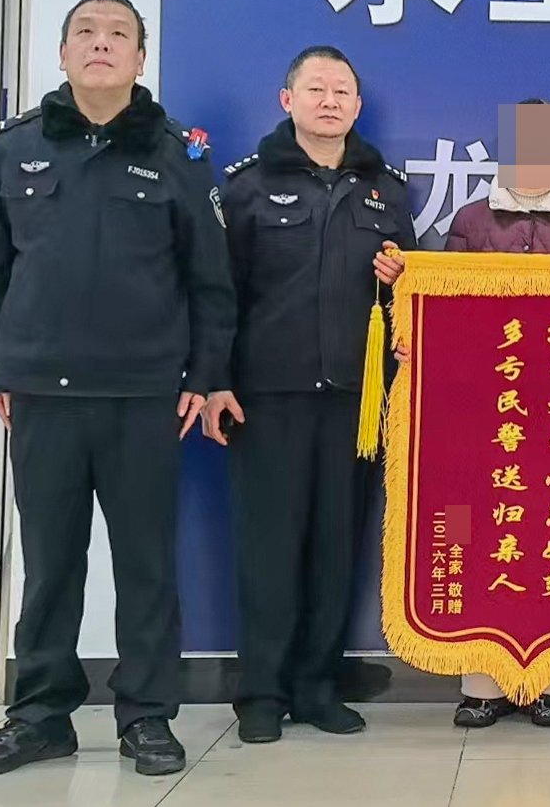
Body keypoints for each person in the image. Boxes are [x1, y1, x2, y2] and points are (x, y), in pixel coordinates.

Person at [0, 0, 235, 777]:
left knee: (146, 564)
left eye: (118, 34)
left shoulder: (178, 153)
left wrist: (205, 373)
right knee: (50, 564)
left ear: (141, 58)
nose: (101, 43)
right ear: (63, 52)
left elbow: (211, 279)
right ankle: (40, 715)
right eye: (86, 31)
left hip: (143, 394)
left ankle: (146, 716)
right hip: (41, 393)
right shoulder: (16, 148)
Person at [202, 46, 414, 744]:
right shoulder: (247, 186)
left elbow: (410, 298)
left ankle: (318, 687)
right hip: (267, 397)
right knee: (267, 549)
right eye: (316, 89)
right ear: (286, 99)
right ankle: (260, 694)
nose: (330, 101)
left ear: (358, 105)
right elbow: (218, 294)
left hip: (356, 401)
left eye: (342, 91)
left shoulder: (386, 190)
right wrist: (214, 380)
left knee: (335, 547)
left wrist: (399, 281)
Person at [439, 98, 550, 727]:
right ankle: (481, 685)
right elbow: (445, 305)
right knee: (483, 537)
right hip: (485, 408)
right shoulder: (470, 219)